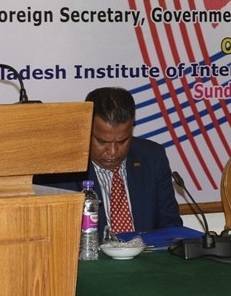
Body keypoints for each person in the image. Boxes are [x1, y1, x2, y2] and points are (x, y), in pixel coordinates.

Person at [42, 87, 182, 238]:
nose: (113, 151)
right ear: (86, 128)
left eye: (122, 141)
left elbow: (170, 223)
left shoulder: (152, 156)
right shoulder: (60, 168)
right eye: (102, 142)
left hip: (146, 251)